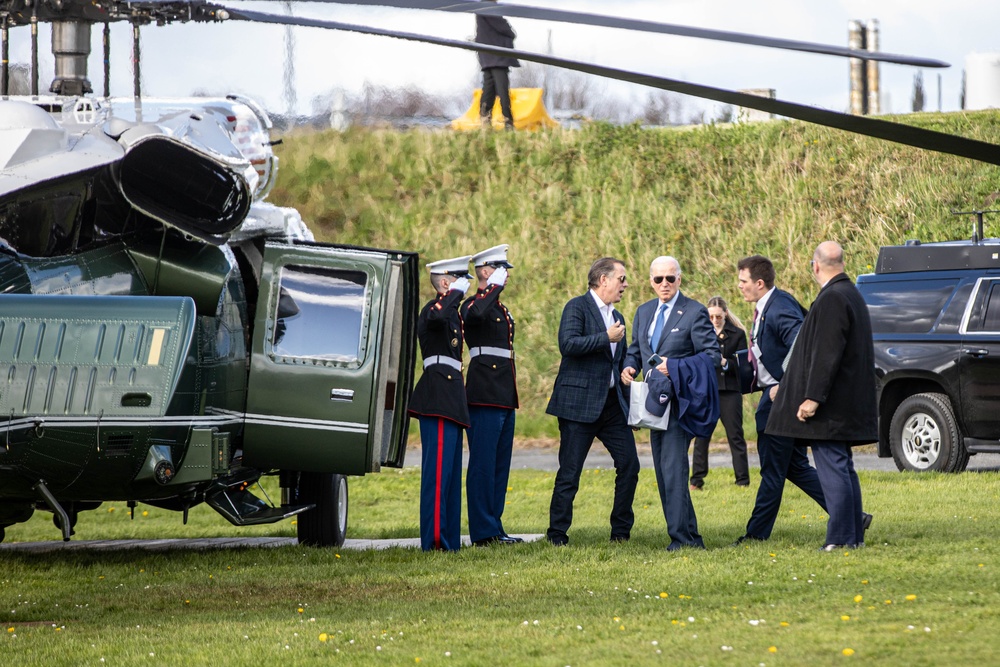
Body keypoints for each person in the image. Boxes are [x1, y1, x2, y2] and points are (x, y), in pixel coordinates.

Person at [767, 241, 878, 551]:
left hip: (831, 405)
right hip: (844, 401)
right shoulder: (851, 294)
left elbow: (827, 353)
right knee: (842, 467)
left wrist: (812, 397)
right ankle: (853, 536)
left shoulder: (833, 298)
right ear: (841, 262)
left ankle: (842, 540)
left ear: (815, 266)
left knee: (833, 468)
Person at [621, 256, 719, 550]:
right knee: (665, 472)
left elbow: (712, 356)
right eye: (658, 279)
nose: (664, 284)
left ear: (680, 279)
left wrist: (673, 365)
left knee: (674, 470)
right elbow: (636, 350)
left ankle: (681, 539)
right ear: (650, 281)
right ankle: (689, 537)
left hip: (679, 402)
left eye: (670, 278)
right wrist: (629, 366)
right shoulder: (644, 311)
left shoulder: (694, 311)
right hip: (653, 403)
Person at [731, 254, 831, 545]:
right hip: (772, 399)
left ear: (759, 283)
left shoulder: (778, 307)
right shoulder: (768, 306)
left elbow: (802, 342)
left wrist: (784, 386)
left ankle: (755, 535)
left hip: (780, 403)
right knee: (794, 467)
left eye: (743, 281)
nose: (739, 286)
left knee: (772, 472)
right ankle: (852, 515)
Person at [545, 257, 640, 546]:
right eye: (621, 279)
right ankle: (557, 535)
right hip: (578, 404)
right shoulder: (577, 306)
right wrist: (605, 337)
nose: (625, 284)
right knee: (570, 473)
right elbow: (568, 344)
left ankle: (620, 533)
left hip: (611, 406)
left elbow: (618, 358)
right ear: (603, 280)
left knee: (630, 465)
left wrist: (626, 369)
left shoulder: (618, 317)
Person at [407, 255, 472, 551]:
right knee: (437, 474)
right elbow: (437, 316)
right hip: (437, 395)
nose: (466, 284)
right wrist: (455, 293)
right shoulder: (434, 310)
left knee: (450, 474)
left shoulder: (452, 312)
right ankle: (434, 541)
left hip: (452, 396)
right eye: (460, 279)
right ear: (446, 282)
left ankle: (450, 540)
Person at [461, 244, 521, 547]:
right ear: (486, 271)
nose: (506, 276)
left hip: (503, 393)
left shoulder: (499, 307)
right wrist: (491, 287)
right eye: (501, 270)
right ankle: (483, 532)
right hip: (484, 392)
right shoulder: (473, 304)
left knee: (499, 465)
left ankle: (495, 526)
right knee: (483, 464)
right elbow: (474, 317)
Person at [689, 296, 751, 490]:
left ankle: (742, 480)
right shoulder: (700, 332)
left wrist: (725, 362)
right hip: (707, 389)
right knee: (702, 435)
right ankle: (696, 480)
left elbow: (742, 363)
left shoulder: (737, 334)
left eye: (718, 316)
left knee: (735, 434)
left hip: (729, 389)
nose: (714, 320)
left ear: (725, 313)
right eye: (711, 316)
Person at [475, 0, 520, 130]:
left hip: (488, 57)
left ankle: (485, 121)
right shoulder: (488, 8)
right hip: (497, 57)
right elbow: (505, 28)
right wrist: (509, 30)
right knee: (502, 92)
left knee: (488, 91)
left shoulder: (480, 10)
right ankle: (508, 123)